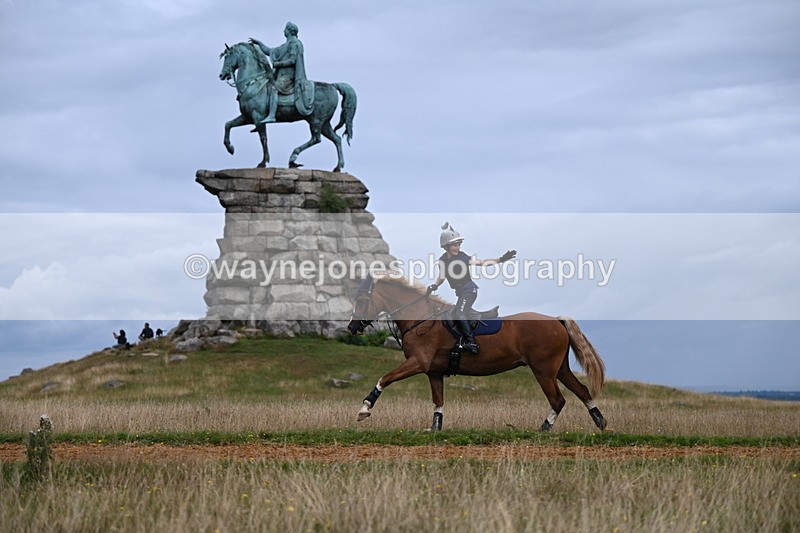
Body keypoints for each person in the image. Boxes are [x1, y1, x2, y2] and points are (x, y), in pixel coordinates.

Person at [427, 222, 516, 354]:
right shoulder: (442, 261)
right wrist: (435, 285)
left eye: (459, 245)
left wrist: (501, 259)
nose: (458, 247)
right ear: (446, 246)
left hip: (469, 291)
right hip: (461, 293)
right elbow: (442, 276)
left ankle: (471, 343)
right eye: (455, 245)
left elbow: (481, 263)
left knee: (459, 314)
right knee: (454, 315)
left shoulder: (462, 257)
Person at [249, 21, 313, 123]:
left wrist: (278, 64)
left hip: (289, 76)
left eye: (285, 29)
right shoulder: (285, 45)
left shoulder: (295, 43)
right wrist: (259, 43)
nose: (284, 30)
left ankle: (272, 115)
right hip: (280, 75)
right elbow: (269, 51)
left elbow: (293, 60)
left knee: (273, 88)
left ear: (290, 31)